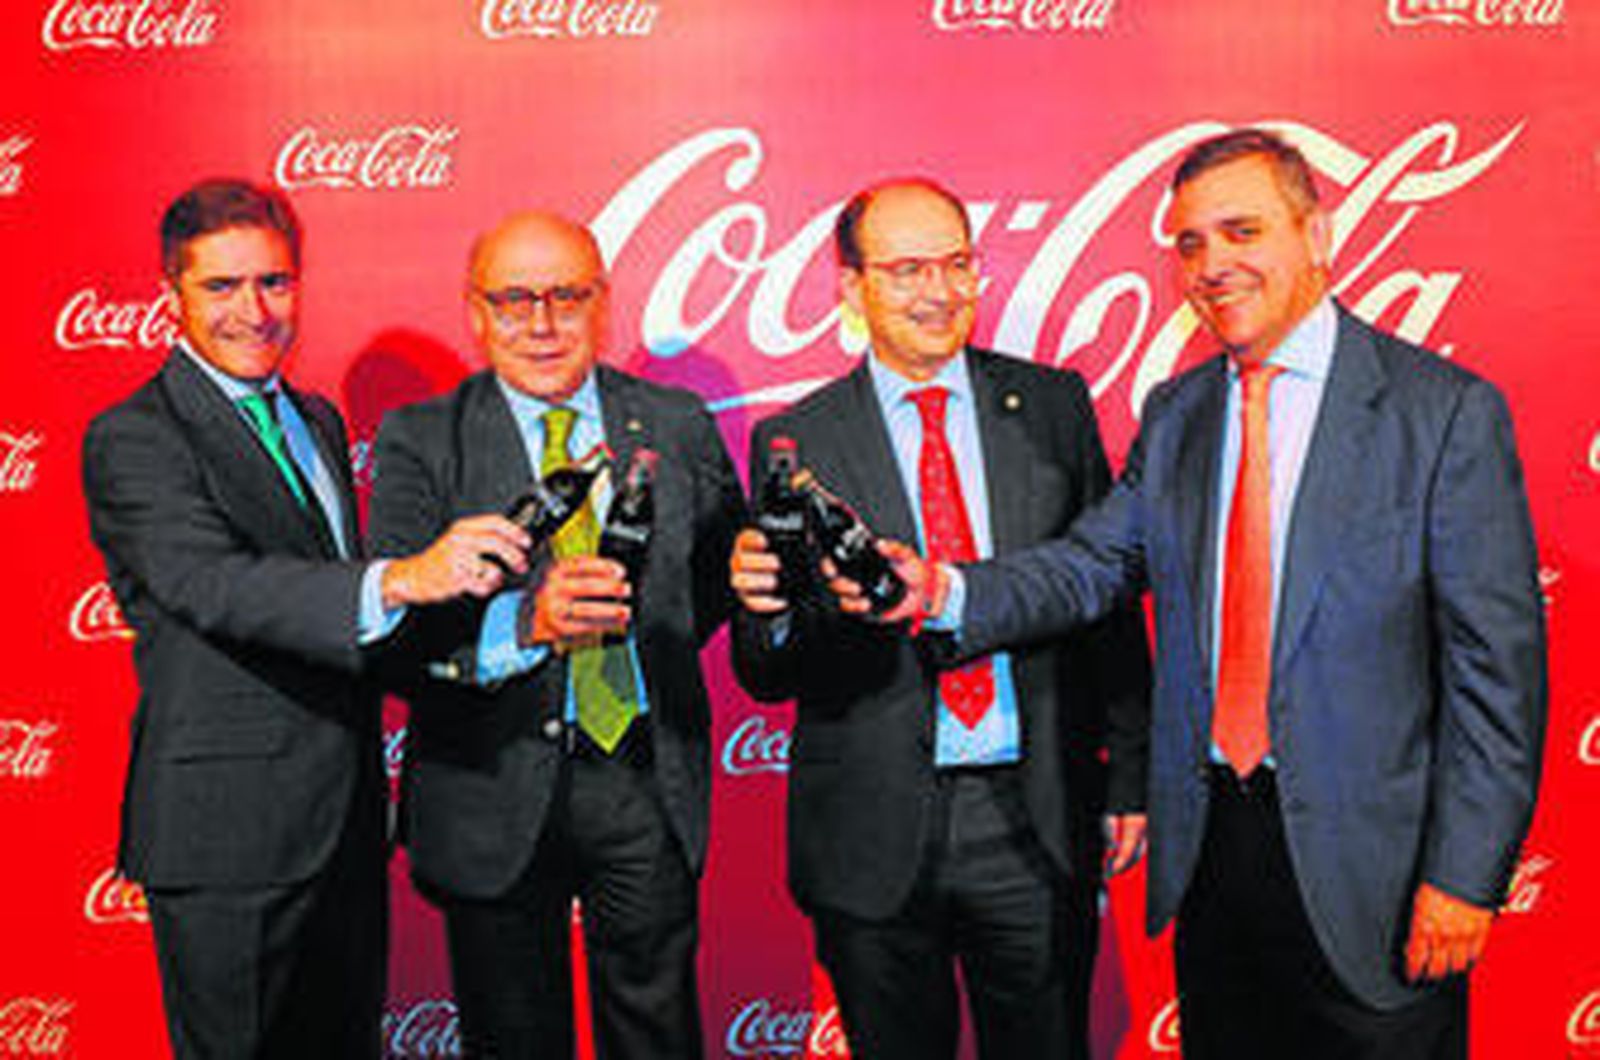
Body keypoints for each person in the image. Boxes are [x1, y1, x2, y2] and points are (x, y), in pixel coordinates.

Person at [872, 130, 1548, 1059]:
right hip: (1214, 866)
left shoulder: (1443, 413)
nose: (1213, 263)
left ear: (1318, 234)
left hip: (1378, 882)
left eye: (1241, 231)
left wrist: (1466, 877)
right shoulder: (1179, 413)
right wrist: (943, 588)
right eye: (1190, 243)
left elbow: (1497, 681)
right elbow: (1091, 564)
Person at [81, 178, 530, 1059]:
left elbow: (345, 622)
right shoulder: (135, 434)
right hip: (226, 841)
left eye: (275, 283)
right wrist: (405, 576)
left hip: (346, 829)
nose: (254, 310)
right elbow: (214, 584)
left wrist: (507, 615)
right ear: (171, 294)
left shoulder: (315, 420)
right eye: (222, 287)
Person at [728, 178, 1152, 1059]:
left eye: (957, 263)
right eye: (907, 268)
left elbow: (1104, 597)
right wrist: (764, 608)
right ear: (853, 288)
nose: (939, 290)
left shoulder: (1053, 406)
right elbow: (768, 673)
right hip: (871, 830)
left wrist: (1129, 775)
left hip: (1030, 816)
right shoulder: (794, 438)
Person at [368, 209, 746, 1059]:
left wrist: (655, 630)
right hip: (490, 782)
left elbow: (724, 577)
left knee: (659, 1034)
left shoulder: (678, 422)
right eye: (514, 300)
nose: (541, 324)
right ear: (475, 311)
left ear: (603, 304)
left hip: (641, 777)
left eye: (566, 297)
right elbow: (391, 634)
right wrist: (522, 627)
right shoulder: (421, 439)